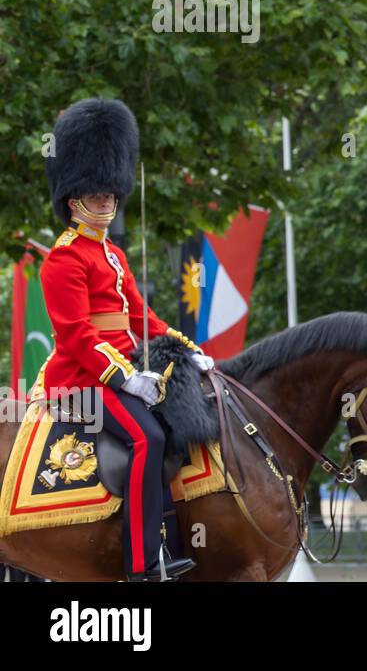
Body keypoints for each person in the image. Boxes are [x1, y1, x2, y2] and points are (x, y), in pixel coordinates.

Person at [41, 97, 213, 581]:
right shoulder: (64, 258)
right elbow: (77, 336)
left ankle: (175, 536)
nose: (108, 203)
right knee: (147, 436)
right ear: (74, 198)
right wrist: (125, 376)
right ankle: (144, 562)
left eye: (112, 196)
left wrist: (187, 349)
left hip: (122, 371)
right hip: (81, 378)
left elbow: (142, 317)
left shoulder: (112, 255)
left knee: (174, 427)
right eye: (98, 196)